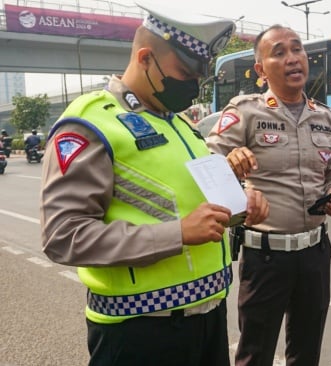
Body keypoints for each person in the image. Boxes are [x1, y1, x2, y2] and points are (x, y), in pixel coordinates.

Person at [40, 3, 270, 365]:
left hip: (208, 321)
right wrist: (176, 234)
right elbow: (63, 236)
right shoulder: (92, 124)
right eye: (185, 73)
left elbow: (192, 208)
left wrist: (242, 205)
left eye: (200, 77)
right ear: (146, 58)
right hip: (141, 332)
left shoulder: (181, 127)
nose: (194, 86)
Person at [206, 25, 331, 366]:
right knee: (255, 353)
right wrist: (230, 164)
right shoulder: (245, 112)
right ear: (260, 69)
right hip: (266, 258)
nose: (292, 58)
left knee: (306, 351)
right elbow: (204, 165)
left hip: (315, 253)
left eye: (297, 49)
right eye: (279, 52)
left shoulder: (325, 117)